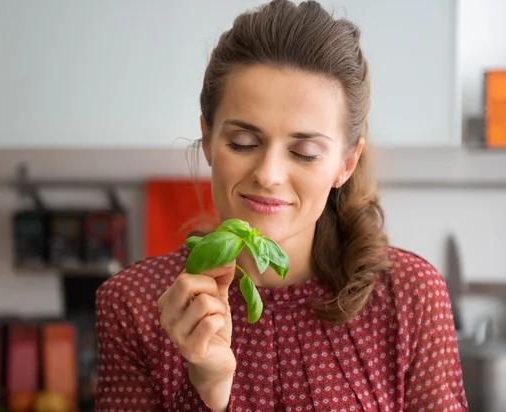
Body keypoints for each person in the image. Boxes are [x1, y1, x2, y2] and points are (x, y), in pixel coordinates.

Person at [95, 1, 468, 410]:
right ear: (207, 139)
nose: (269, 174)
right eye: (243, 143)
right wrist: (209, 389)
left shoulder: (410, 297)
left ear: (346, 163)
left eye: (305, 151)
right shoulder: (132, 304)